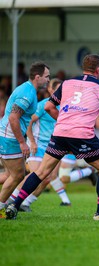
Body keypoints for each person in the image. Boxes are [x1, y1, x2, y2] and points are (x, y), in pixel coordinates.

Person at [5, 54, 99, 220]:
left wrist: (62, 119)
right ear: (98, 69)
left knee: (41, 172)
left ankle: (15, 205)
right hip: (82, 134)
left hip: (61, 132)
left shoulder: (67, 83)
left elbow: (48, 106)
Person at [8, 79, 98, 212]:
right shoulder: (43, 105)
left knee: (47, 178)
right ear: (50, 90)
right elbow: (29, 123)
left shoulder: (67, 106)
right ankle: (11, 200)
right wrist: (31, 141)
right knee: (35, 174)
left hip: (53, 146)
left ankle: (25, 203)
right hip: (37, 145)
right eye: (56, 89)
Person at [0, 62, 50, 219]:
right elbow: (14, 118)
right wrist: (23, 142)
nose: (48, 80)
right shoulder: (27, 93)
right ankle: (1, 208)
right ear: (38, 77)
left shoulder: (28, 90)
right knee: (17, 175)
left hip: (8, 135)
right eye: (46, 77)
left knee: (11, 174)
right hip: (10, 137)